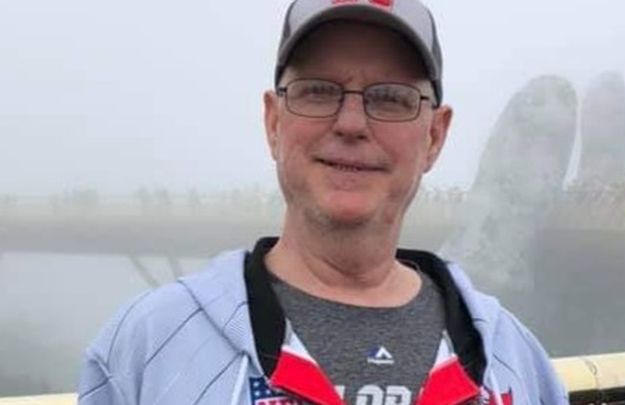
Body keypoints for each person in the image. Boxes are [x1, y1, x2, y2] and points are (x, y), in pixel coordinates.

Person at [78, 1, 568, 404]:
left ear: (435, 137)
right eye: (317, 91)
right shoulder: (147, 346)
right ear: (273, 122)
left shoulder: (515, 359)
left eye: (390, 98)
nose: (351, 123)